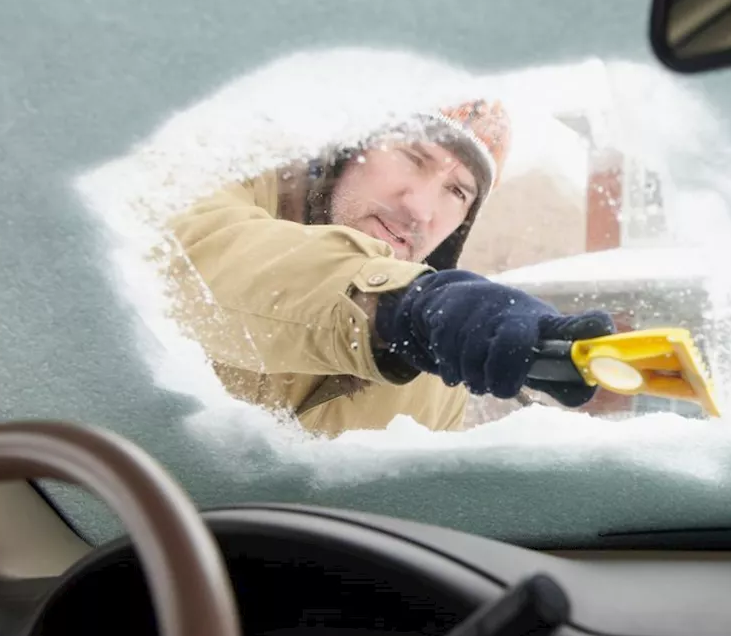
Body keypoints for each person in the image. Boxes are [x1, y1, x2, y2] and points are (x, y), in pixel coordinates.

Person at [163, 98, 616, 437]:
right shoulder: (218, 185)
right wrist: (400, 306)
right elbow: (195, 267)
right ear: (351, 149)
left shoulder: (438, 378)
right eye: (414, 158)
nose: (420, 208)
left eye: (457, 192)